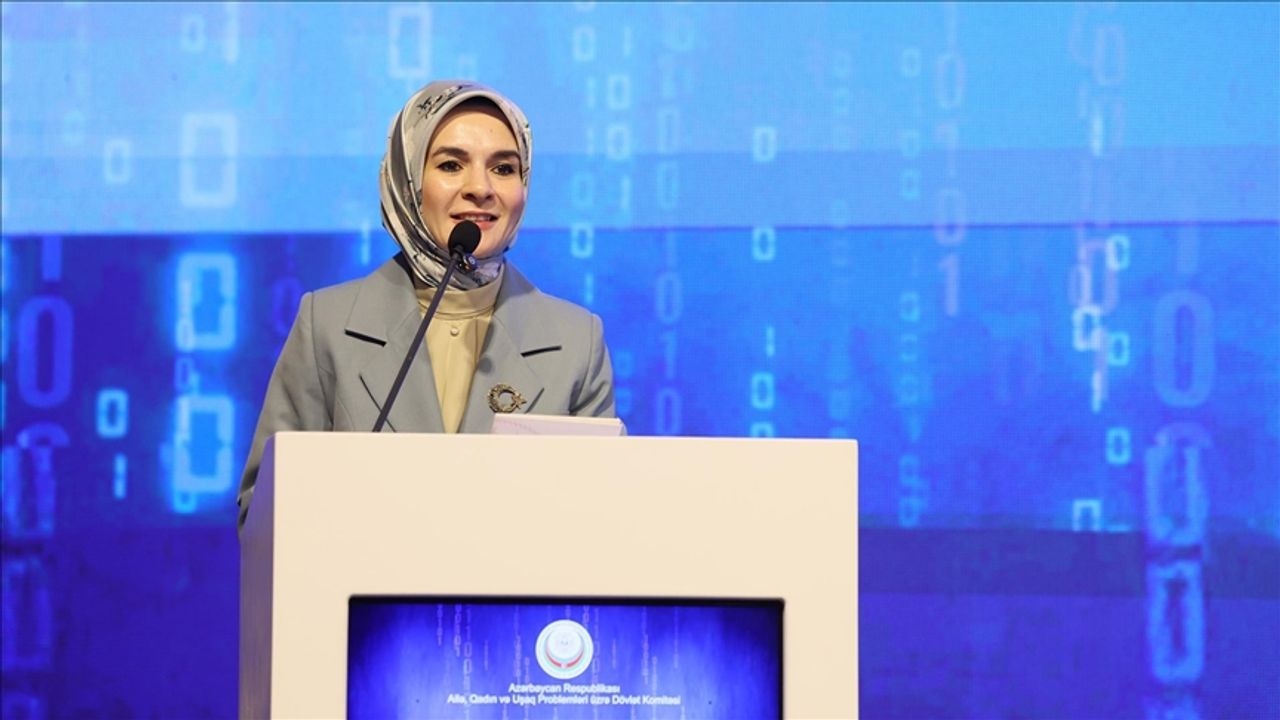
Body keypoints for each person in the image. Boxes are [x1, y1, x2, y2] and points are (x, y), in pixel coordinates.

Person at [236, 80, 617, 530]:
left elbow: (599, 520)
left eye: (504, 168)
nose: (481, 188)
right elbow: (263, 514)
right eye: (451, 165)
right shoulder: (327, 326)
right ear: (408, 181)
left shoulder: (576, 341)